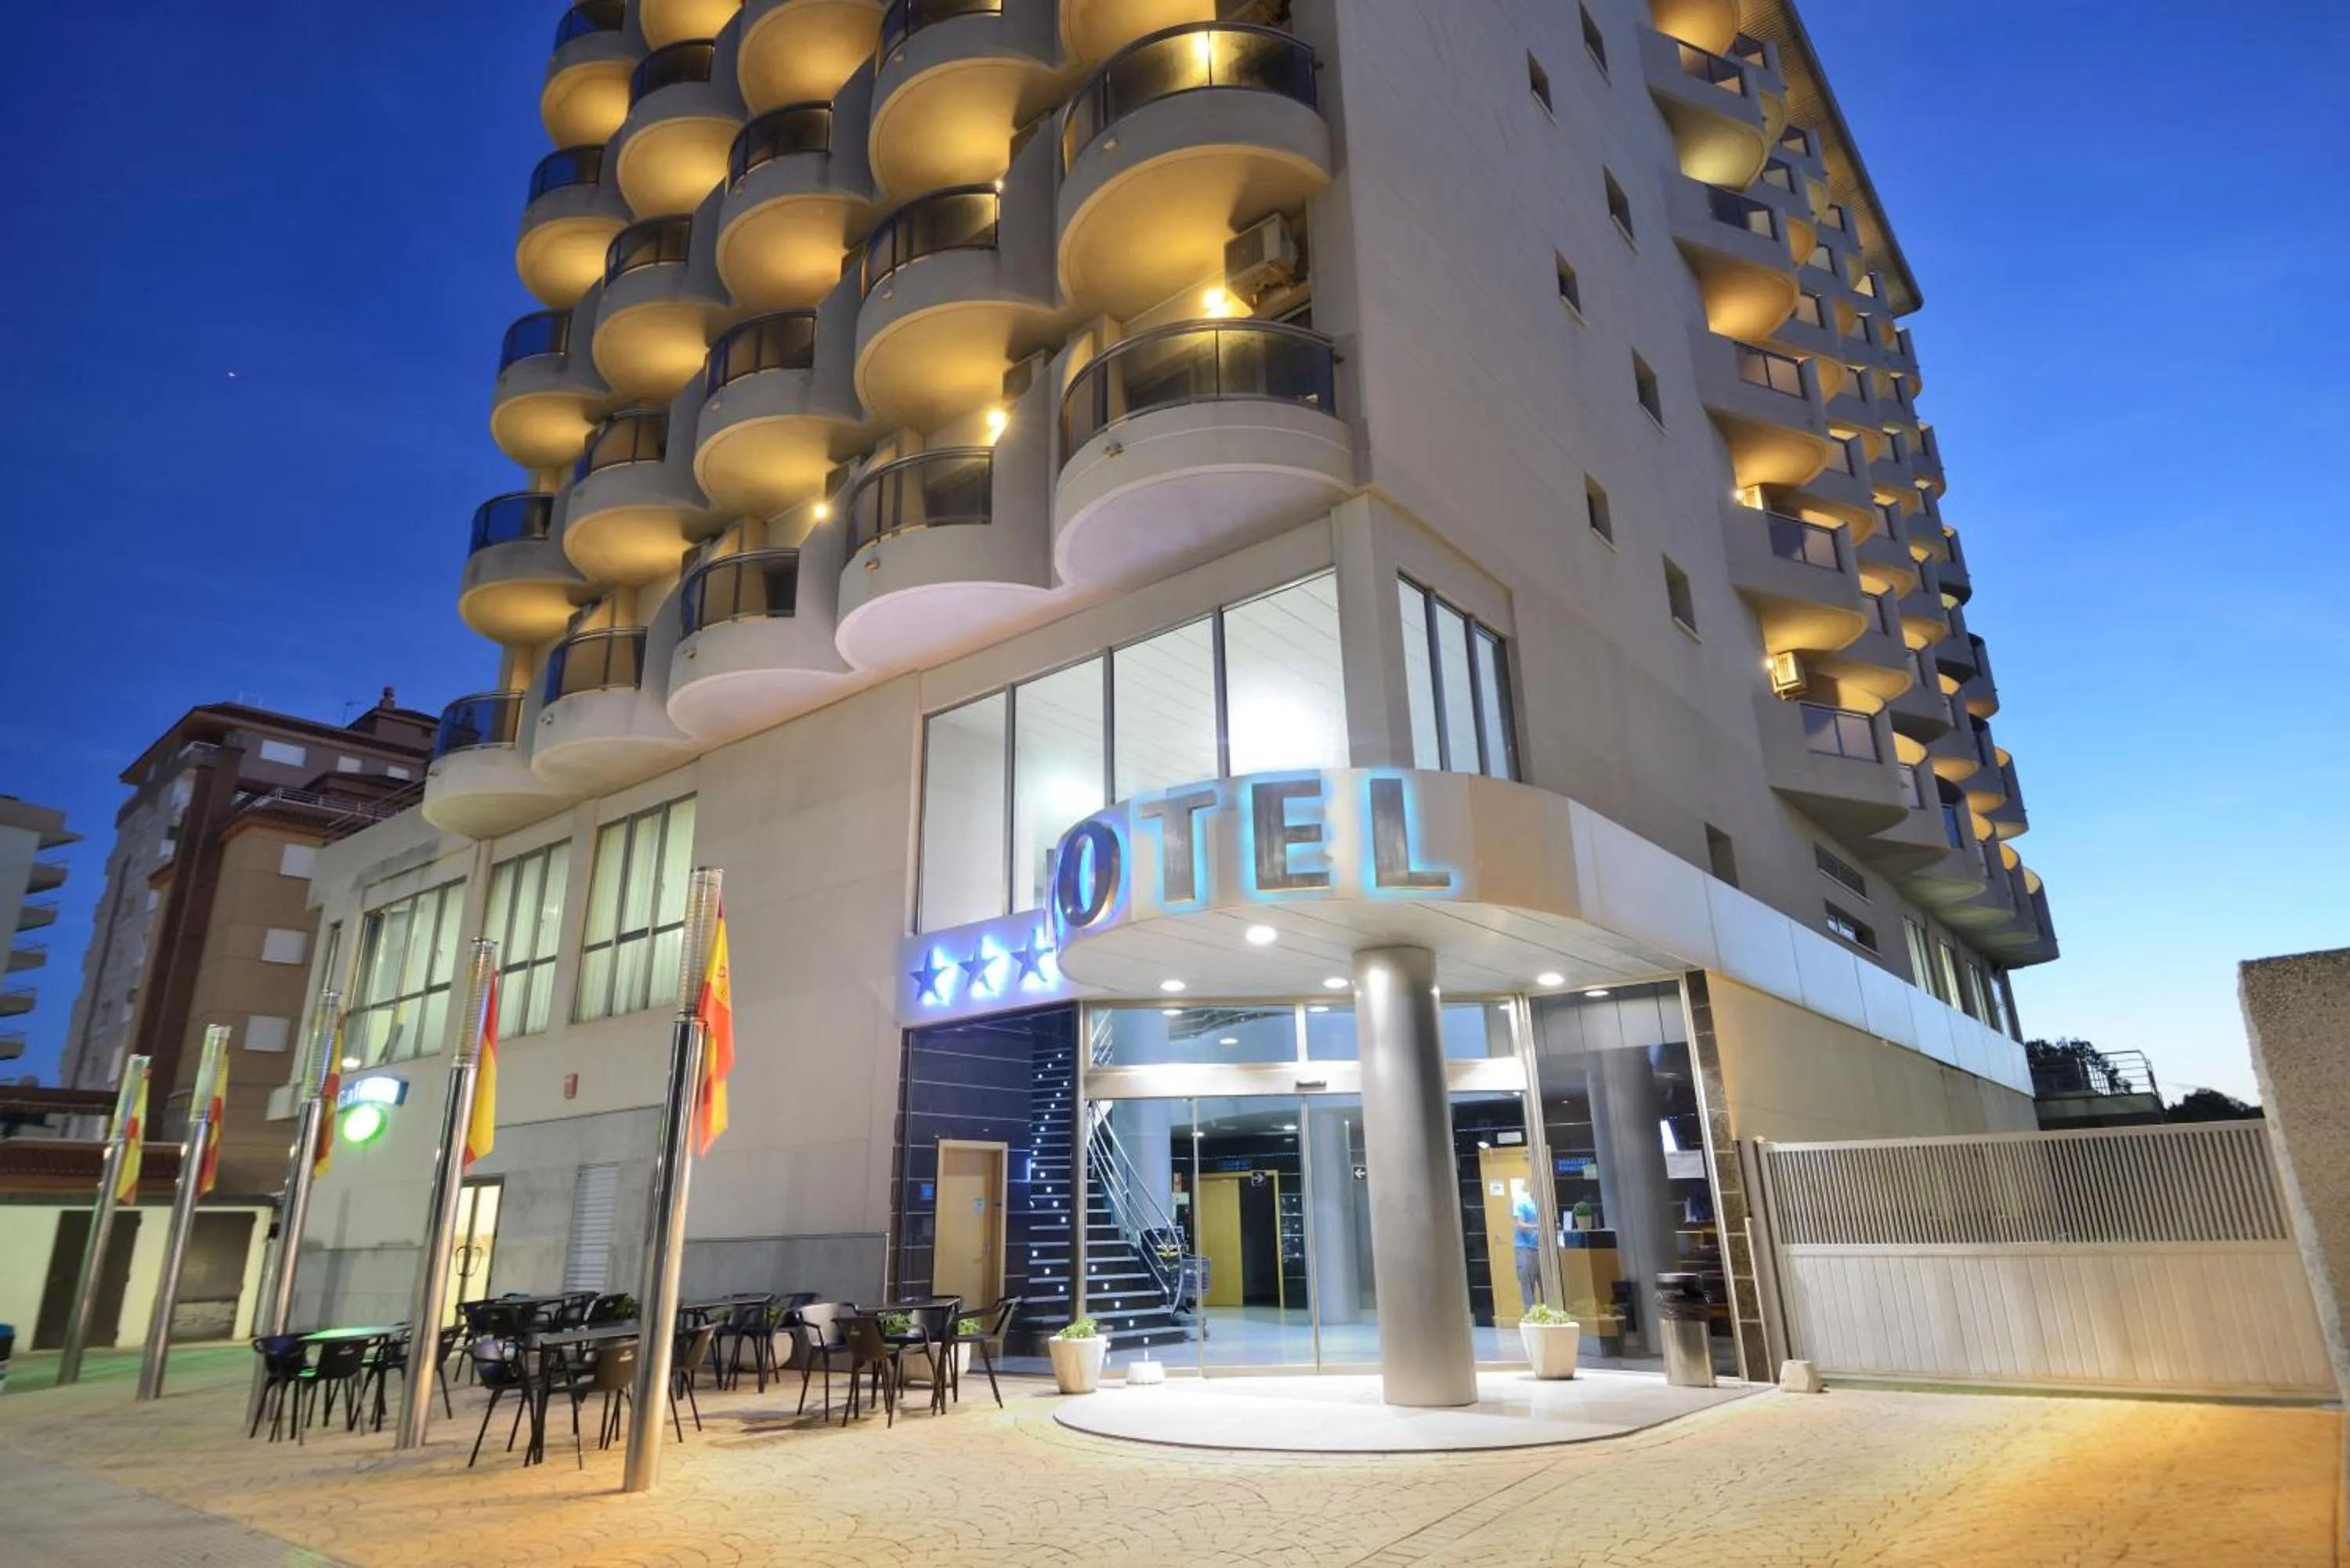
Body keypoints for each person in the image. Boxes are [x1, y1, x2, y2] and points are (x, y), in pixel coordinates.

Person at [1511, 1187, 1542, 1311]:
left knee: (1546, 1285)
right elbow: (1520, 1224)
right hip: (1525, 1248)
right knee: (1528, 1287)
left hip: (1541, 1248)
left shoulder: (1542, 1203)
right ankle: (1531, 1317)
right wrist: (1539, 1226)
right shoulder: (1522, 1202)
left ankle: (1549, 1316)